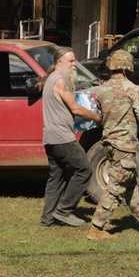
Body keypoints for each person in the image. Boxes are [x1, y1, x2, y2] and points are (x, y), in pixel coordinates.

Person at [87, 50, 139, 241]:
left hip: (109, 145)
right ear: (128, 67)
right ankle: (96, 228)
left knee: (130, 184)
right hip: (124, 146)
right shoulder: (132, 90)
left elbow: (102, 116)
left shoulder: (102, 90)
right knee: (116, 186)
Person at [40, 46, 102, 227]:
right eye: (71, 61)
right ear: (60, 62)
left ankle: (47, 219)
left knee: (56, 178)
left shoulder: (51, 79)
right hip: (62, 138)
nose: (74, 64)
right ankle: (64, 210)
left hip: (50, 137)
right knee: (85, 170)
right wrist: (96, 117)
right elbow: (75, 108)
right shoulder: (61, 81)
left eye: (74, 60)